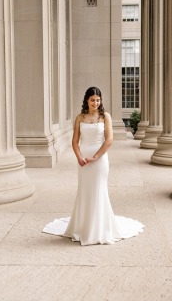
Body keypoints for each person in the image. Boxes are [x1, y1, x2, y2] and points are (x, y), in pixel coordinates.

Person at [43, 87, 144, 245]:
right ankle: (83, 227)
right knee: (85, 190)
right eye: (92, 100)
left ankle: (99, 229)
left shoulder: (106, 117)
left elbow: (109, 140)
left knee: (99, 190)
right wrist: (79, 158)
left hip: (100, 158)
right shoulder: (80, 117)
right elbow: (75, 142)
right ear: (87, 101)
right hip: (83, 159)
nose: (95, 103)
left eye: (98, 100)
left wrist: (95, 157)